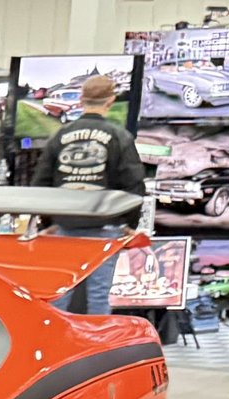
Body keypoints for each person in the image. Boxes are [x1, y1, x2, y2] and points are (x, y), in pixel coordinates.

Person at [31, 73, 147, 315]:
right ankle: (95, 339)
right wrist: (129, 224)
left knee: (59, 293)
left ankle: (55, 337)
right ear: (111, 100)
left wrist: (49, 223)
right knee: (99, 296)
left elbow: (41, 183)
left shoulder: (59, 136)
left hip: (65, 225)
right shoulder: (120, 136)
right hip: (106, 226)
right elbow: (134, 184)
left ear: (81, 100)